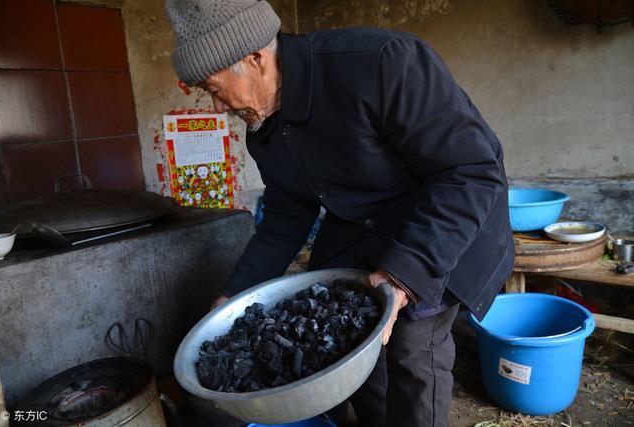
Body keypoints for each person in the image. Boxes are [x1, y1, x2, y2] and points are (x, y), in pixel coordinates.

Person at [165, 1, 515, 426]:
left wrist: (405, 274)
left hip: (445, 220)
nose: (218, 108)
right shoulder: (264, 129)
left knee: (409, 344)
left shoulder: (380, 63)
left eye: (214, 88)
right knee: (350, 341)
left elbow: (470, 172)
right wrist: (235, 293)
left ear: (254, 58)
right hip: (363, 227)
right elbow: (285, 216)